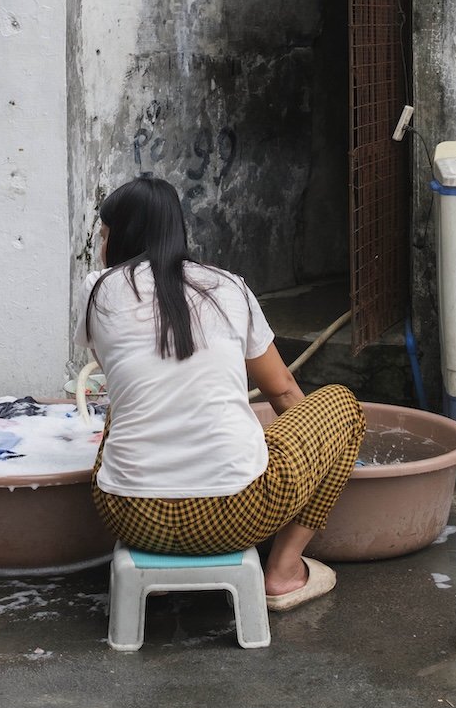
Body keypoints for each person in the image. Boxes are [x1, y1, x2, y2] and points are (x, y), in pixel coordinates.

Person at [77, 175, 365, 611]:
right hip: (237, 514)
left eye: (103, 235)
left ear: (119, 237)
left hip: (129, 513)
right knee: (342, 406)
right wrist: (317, 456)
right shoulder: (228, 287)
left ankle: (165, 574)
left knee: (122, 405)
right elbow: (283, 391)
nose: (101, 244)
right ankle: (284, 571)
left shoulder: (96, 291)